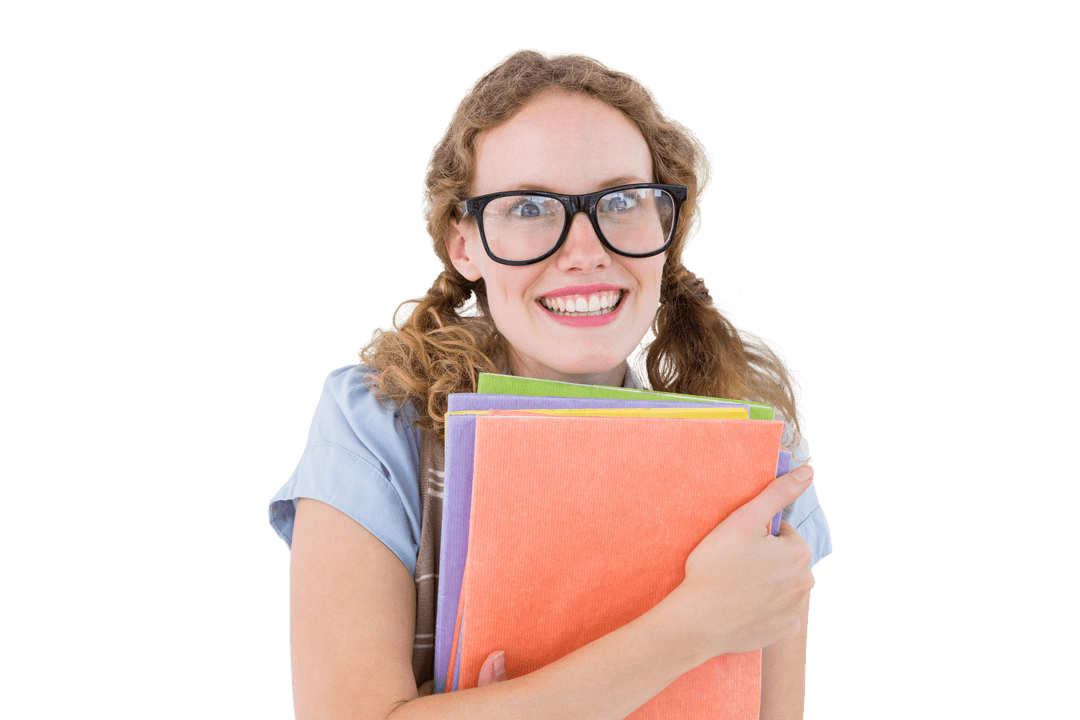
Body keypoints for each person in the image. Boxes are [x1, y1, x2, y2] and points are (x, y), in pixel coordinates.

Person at [268, 48, 832, 720]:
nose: (585, 249)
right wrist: (694, 626)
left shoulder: (765, 464)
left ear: (666, 227)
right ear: (464, 245)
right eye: (529, 208)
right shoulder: (376, 428)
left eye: (622, 200)